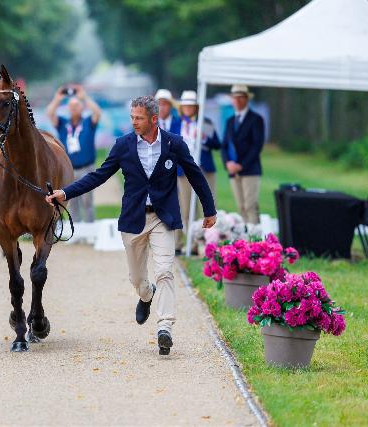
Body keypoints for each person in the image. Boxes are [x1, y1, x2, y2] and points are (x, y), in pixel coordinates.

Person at [46, 96, 216, 355]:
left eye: (139, 118)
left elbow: (195, 174)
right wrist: (66, 193)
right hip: (134, 219)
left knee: (165, 271)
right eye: (132, 117)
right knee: (137, 278)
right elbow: (99, 175)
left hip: (163, 218)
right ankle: (146, 295)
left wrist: (209, 209)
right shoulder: (123, 145)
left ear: (153, 119)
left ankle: (165, 327)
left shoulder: (174, 144)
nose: (134, 122)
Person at [46, 84, 102, 223]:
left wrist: (84, 98)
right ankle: (76, 229)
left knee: (87, 200)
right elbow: (50, 114)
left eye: (77, 105)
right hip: (69, 168)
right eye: (71, 106)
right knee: (71, 199)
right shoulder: (64, 123)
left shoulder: (88, 122)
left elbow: (97, 113)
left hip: (87, 168)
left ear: (82, 107)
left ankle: (89, 229)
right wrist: (58, 99)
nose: (74, 108)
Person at [175, 90, 221, 255]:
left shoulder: (205, 122)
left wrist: (204, 138)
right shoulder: (178, 123)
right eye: (185, 105)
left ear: (196, 107)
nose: (188, 108)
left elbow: (217, 143)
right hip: (184, 170)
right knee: (186, 209)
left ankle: (211, 245)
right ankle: (192, 245)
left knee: (208, 206)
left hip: (204, 168)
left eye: (191, 105)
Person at [221, 84, 265, 225]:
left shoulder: (256, 119)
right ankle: (246, 241)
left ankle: (256, 242)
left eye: (241, 98)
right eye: (235, 98)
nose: (237, 101)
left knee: (250, 206)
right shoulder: (230, 121)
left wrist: (241, 165)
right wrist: (227, 163)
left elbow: (257, 146)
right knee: (241, 207)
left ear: (246, 99)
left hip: (250, 169)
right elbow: (224, 145)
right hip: (233, 171)